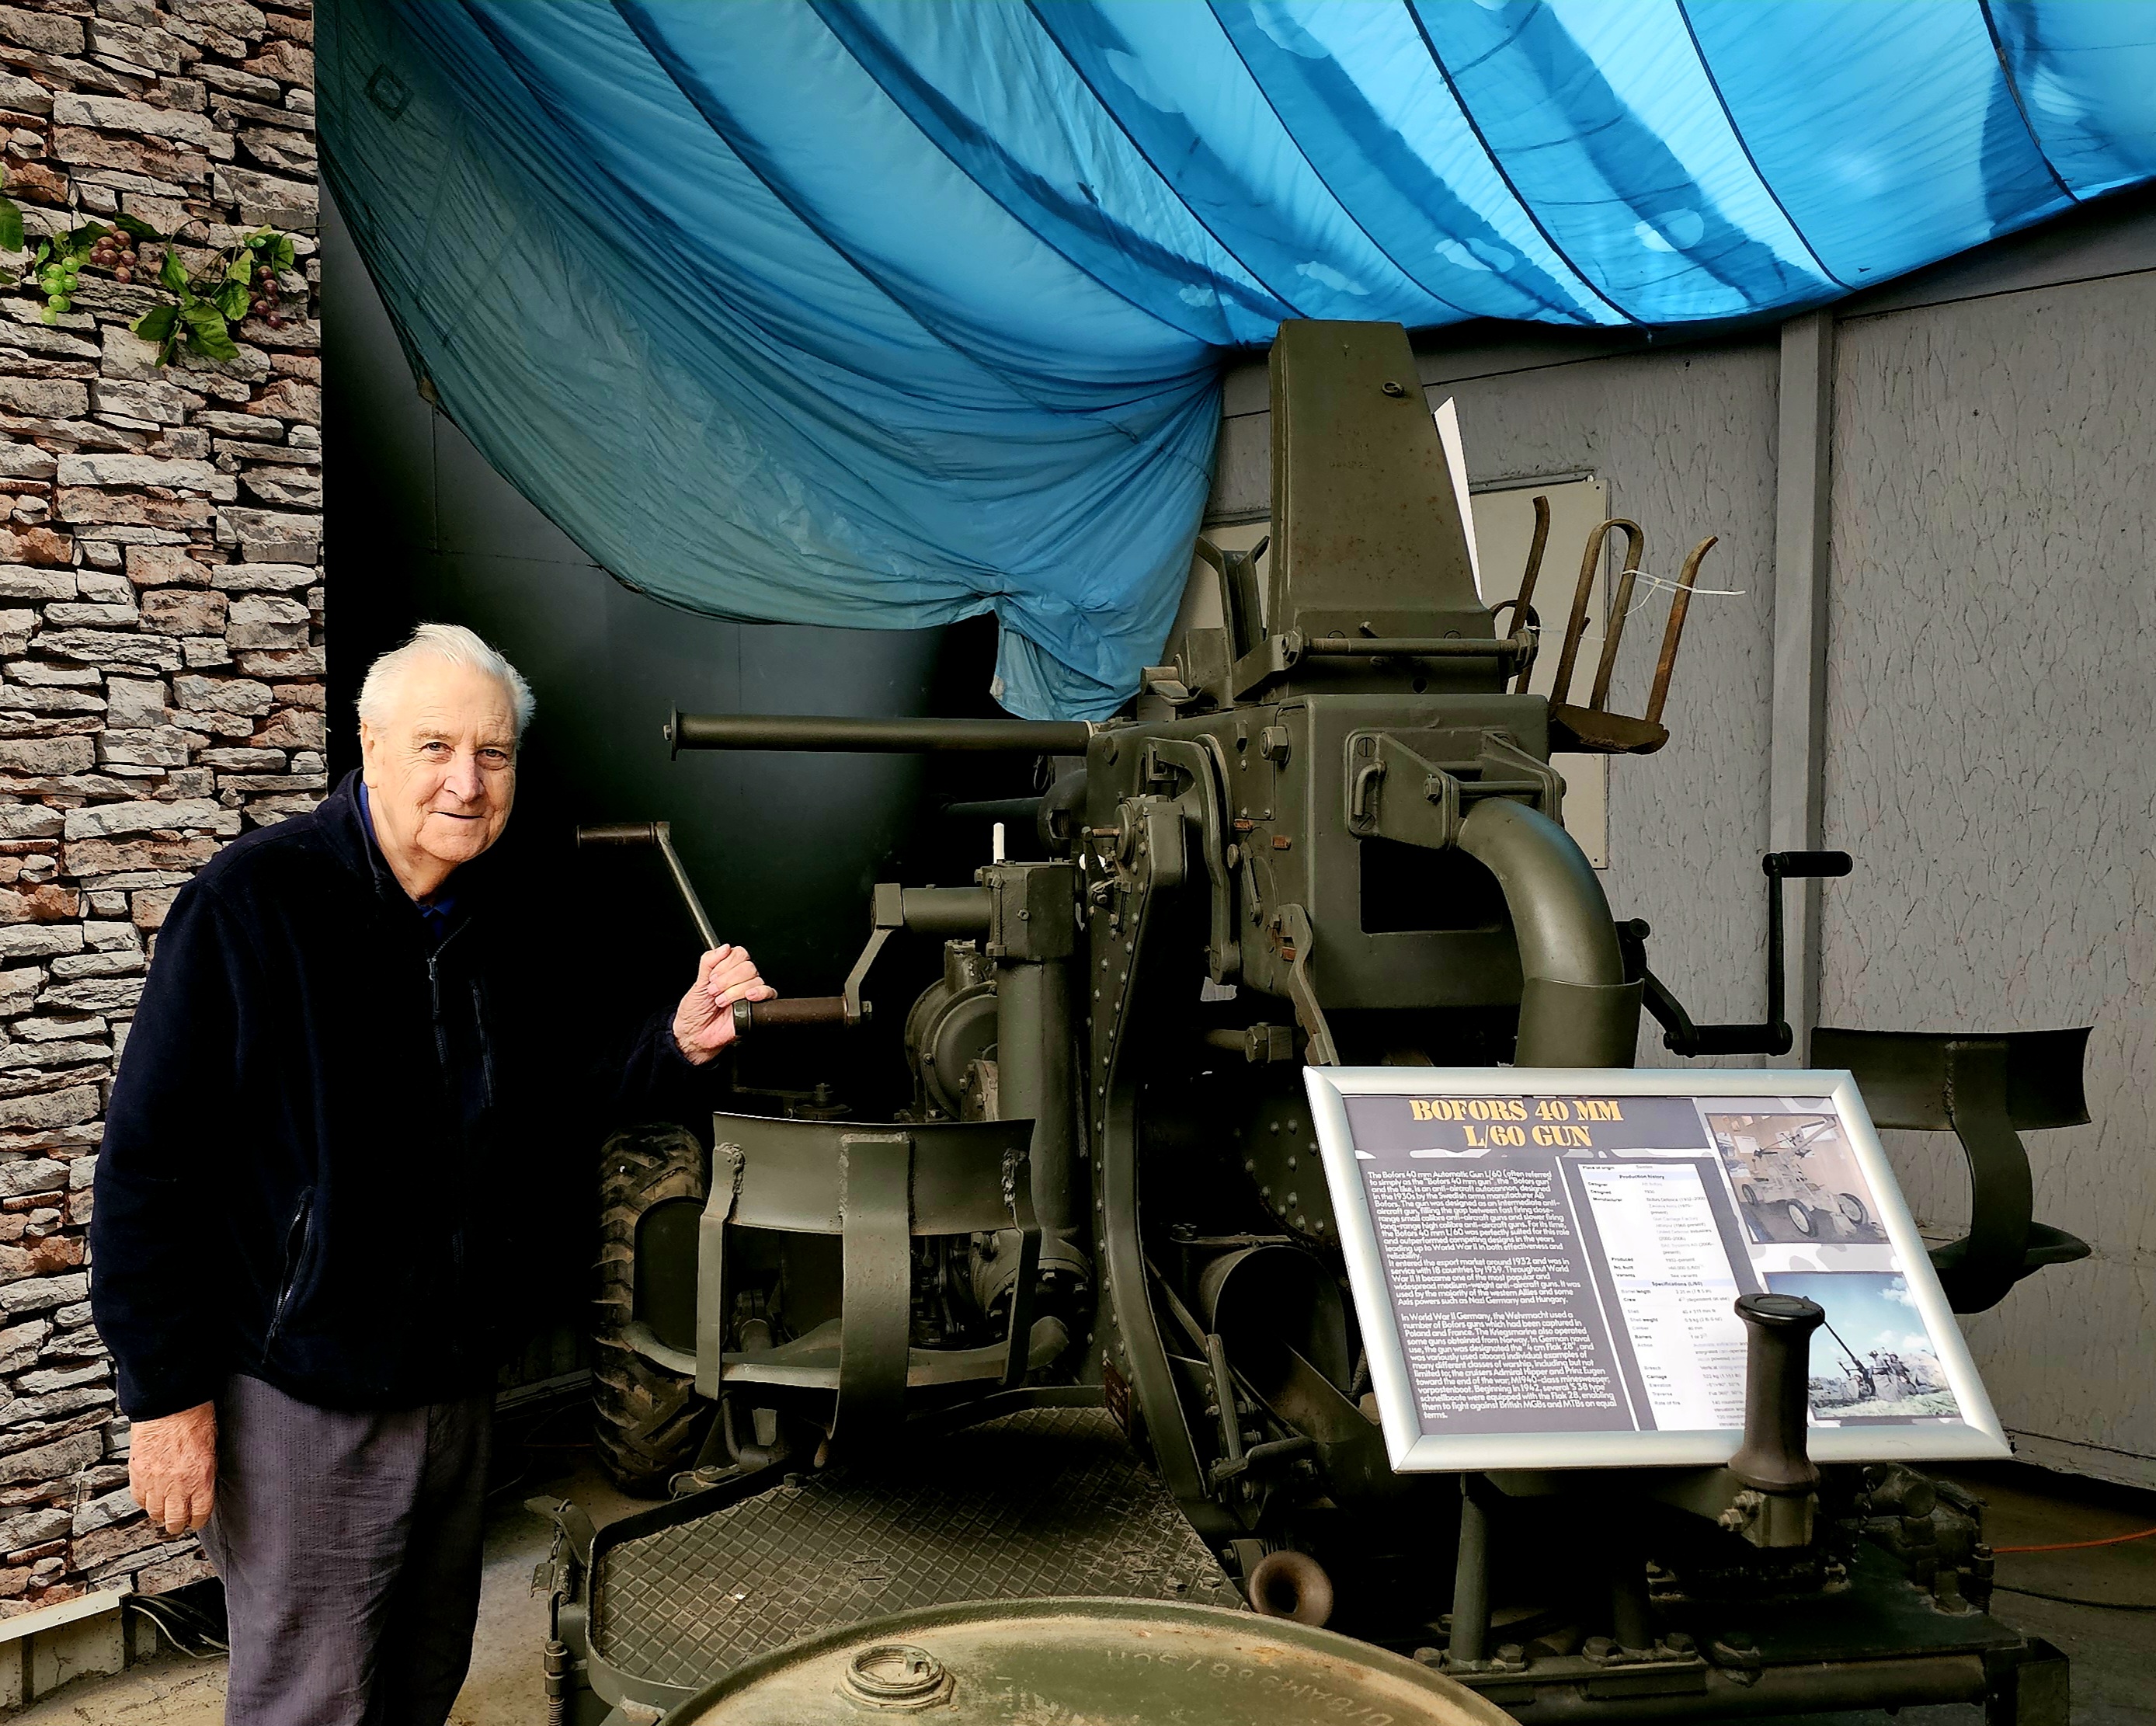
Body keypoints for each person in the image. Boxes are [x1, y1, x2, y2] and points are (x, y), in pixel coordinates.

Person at [89, 625, 773, 1726]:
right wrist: (164, 1396)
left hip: (453, 1386)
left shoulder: (500, 906)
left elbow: (551, 1090)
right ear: (369, 745)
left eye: (493, 753)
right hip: (305, 1397)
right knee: (310, 1701)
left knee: (423, 1674)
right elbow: (146, 1165)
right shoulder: (254, 901)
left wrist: (675, 1040)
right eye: (436, 747)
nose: (467, 781)